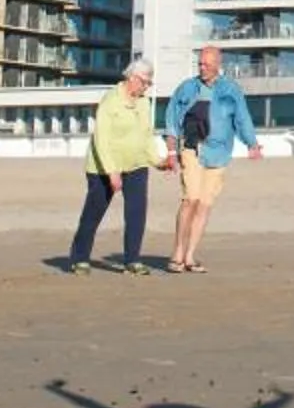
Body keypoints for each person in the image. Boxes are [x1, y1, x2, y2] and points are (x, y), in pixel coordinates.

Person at [162, 44, 259, 273]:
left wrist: (252, 144)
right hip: (192, 149)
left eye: (206, 64)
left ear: (218, 65)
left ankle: (190, 256)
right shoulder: (187, 89)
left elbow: (242, 119)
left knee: (205, 205)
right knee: (190, 199)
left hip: (219, 154)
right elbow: (171, 122)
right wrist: (171, 153)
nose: (202, 68)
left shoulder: (231, 90)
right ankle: (177, 252)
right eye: (200, 64)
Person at [68, 56, 160, 274]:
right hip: (103, 168)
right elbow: (102, 139)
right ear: (132, 78)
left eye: (149, 83)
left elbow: (146, 136)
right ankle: (79, 258)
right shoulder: (111, 100)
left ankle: (132, 260)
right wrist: (112, 172)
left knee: (137, 213)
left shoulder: (144, 103)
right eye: (145, 82)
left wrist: (158, 161)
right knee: (93, 214)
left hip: (136, 165)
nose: (147, 87)